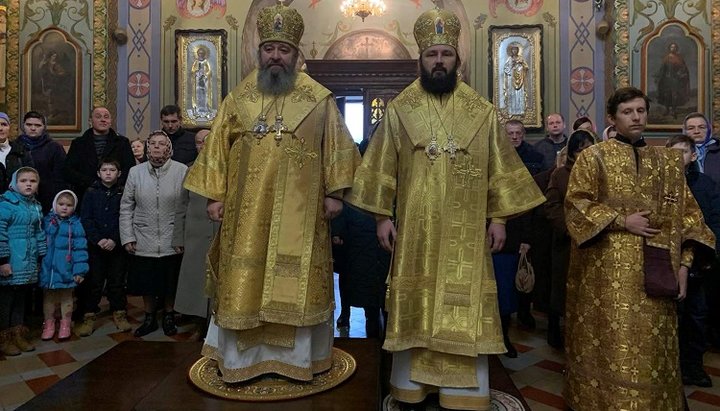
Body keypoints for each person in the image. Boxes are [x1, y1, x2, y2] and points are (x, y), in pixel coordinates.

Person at [348, 7, 545, 410]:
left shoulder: (483, 112)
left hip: (467, 231)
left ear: (459, 60)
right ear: (420, 60)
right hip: (416, 230)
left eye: (446, 54)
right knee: (417, 305)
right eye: (432, 54)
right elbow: (381, 165)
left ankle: (464, 391)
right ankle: (410, 385)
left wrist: (500, 218)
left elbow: (501, 170)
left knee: (464, 303)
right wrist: (383, 216)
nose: (439, 61)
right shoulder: (402, 109)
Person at [183, 2, 360, 383]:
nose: (276, 56)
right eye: (269, 48)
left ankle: (297, 361)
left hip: (303, 210)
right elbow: (216, 150)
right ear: (259, 52)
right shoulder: (238, 98)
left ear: (296, 55)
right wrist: (215, 195)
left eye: (284, 50)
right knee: (245, 282)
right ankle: (242, 361)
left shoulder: (319, 98)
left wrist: (336, 193)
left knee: (294, 283)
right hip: (246, 215)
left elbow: (339, 149)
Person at [563, 87, 715, 410]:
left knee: (653, 351)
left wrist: (685, 266)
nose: (636, 117)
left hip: (656, 277)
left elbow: (690, 219)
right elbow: (575, 206)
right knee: (609, 347)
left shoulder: (668, 163)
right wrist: (621, 220)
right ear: (612, 118)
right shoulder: (594, 157)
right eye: (628, 112)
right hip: (604, 281)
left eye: (641, 111)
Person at [120, 131, 187, 337]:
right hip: (143, 236)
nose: (157, 147)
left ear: (169, 148)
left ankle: (168, 315)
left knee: (169, 281)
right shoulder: (135, 172)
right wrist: (127, 236)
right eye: (153, 144)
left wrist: (181, 237)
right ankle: (149, 317)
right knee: (147, 281)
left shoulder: (181, 170)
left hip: (171, 236)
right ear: (147, 148)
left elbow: (185, 206)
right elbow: (126, 206)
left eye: (161, 144)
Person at [666, 134, 720, 387]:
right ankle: (671, 367)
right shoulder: (661, 188)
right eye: (673, 154)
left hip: (699, 262)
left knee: (697, 317)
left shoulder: (706, 185)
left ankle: (694, 366)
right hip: (667, 263)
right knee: (671, 317)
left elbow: (714, 221)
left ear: (693, 155)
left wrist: (709, 253)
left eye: (683, 154)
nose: (678, 159)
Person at [542, 129, 595, 349]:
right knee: (561, 288)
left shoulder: (598, 174)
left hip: (591, 241)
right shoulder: (560, 174)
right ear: (573, 152)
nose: (585, 153)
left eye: (589, 149)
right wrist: (569, 229)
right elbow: (552, 206)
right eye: (581, 149)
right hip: (566, 241)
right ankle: (555, 330)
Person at [75, 159, 130, 336]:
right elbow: (86, 218)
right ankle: (89, 316)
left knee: (117, 282)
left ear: (119, 173)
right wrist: (97, 239)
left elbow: (125, 217)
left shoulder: (124, 192)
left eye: (112, 170)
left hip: (117, 246)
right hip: (96, 247)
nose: (108, 173)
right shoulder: (91, 192)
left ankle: (120, 313)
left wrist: (115, 239)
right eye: (104, 170)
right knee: (94, 282)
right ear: (98, 173)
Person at [171, 129, 217, 341]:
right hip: (195, 236)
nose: (203, 145)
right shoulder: (190, 171)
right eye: (199, 142)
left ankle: (216, 328)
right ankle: (199, 325)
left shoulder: (226, 168)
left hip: (219, 234)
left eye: (207, 141)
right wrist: (178, 237)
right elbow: (181, 206)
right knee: (197, 283)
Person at [0, 168, 46, 356]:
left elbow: (39, 232)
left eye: (33, 181)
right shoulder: (6, 204)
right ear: (13, 183)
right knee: (6, 300)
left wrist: (41, 256)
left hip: (28, 260)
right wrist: (2, 260)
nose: (28, 184)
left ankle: (18, 334)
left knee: (21, 299)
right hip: (10, 260)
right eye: (24, 180)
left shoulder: (35, 206)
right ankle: (4, 337)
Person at [39, 190, 88, 340]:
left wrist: (80, 271)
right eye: (61, 204)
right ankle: (49, 324)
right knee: (48, 297)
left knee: (67, 297)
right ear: (55, 204)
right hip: (49, 269)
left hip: (66, 268)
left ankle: (65, 323)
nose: (64, 208)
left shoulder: (76, 225)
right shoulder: (47, 221)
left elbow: (80, 249)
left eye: (69, 205)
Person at [64, 107, 135, 206]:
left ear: (110, 121)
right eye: (98, 117)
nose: (103, 119)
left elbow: (129, 168)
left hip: (115, 196)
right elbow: (69, 170)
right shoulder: (78, 143)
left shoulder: (122, 143)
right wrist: (91, 183)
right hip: (85, 194)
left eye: (106, 117)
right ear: (90, 121)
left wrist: (114, 184)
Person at [17, 111, 66, 213]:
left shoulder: (54, 148)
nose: (33, 128)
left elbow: (61, 178)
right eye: (29, 125)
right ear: (23, 126)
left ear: (44, 127)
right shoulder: (15, 146)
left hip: (47, 198)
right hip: (19, 198)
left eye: (37, 125)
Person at [0, 112, 33, 193]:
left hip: (16, 202)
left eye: (4, 124)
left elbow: (31, 178)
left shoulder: (21, 151)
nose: (0, 128)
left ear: (9, 128)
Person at [656, 42, 690, 118]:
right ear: (669, 48)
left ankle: (673, 110)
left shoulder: (679, 58)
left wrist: (680, 74)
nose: (673, 48)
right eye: (671, 47)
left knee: (675, 95)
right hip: (667, 79)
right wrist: (659, 77)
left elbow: (683, 68)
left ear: (676, 48)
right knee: (667, 95)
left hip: (675, 79)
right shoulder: (666, 58)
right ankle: (667, 109)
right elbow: (662, 69)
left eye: (674, 47)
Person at [503, 42, 529, 115]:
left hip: (520, 79)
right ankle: (512, 111)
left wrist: (521, 63)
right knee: (512, 95)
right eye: (513, 50)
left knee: (519, 94)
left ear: (518, 50)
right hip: (511, 80)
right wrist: (512, 64)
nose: (514, 51)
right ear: (511, 51)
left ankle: (520, 111)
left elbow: (526, 67)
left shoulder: (521, 58)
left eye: (516, 49)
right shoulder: (509, 59)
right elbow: (505, 69)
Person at [191, 46, 213, 118]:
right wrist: (196, 72)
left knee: (205, 94)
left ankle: (205, 109)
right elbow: (192, 71)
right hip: (197, 80)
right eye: (199, 53)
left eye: (202, 53)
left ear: (204, 54)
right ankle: (197, 110)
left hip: (204, 81)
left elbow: (209, 71)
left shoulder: (206, 62)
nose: (200, 55)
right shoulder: (196, 62)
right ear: (197, 54)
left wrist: (205, 75)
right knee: (198, 95)